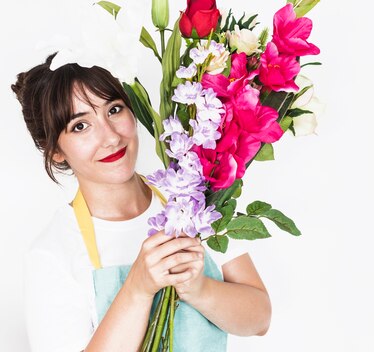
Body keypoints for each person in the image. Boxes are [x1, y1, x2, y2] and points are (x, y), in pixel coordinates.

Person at [12, 52, 272, 352]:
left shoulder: (190, 199)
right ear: (55, 150)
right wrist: (138, 288)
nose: (110, 137)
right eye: (80, 126)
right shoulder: (52, 254)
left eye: (114, 109)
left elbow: (260, 318)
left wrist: (198, 288)